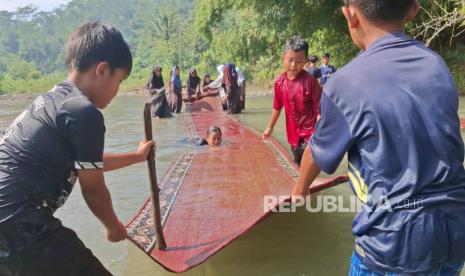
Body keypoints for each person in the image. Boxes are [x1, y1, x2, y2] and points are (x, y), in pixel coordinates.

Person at [292, 0, 465, 275]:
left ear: (351, 17)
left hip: (393, 243)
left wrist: (298, 192)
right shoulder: (437, 66)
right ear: (414, 9)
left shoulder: (346, 83)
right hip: (454, 234)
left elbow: (316, 153)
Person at [0, 22, 155, 275]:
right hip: (20, 224)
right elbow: (93, 190)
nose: (117, 91)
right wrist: (113, 226)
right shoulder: (83, 112)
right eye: (120, 80)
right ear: (103, 70)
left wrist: (137, 157)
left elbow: (87, 163)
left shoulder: (53, 100)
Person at [262, 36, 321, 166]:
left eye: (299, 61)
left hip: (310, 134)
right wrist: (269, 128)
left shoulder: (310, 82)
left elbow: (319, 110)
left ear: (306, 61)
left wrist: (319, 134)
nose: (294, 65)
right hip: (293, 135)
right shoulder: (279, 82)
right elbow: (277, 107)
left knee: (309, 166)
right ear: (283, 57)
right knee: (297, 164)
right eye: (290, 60)